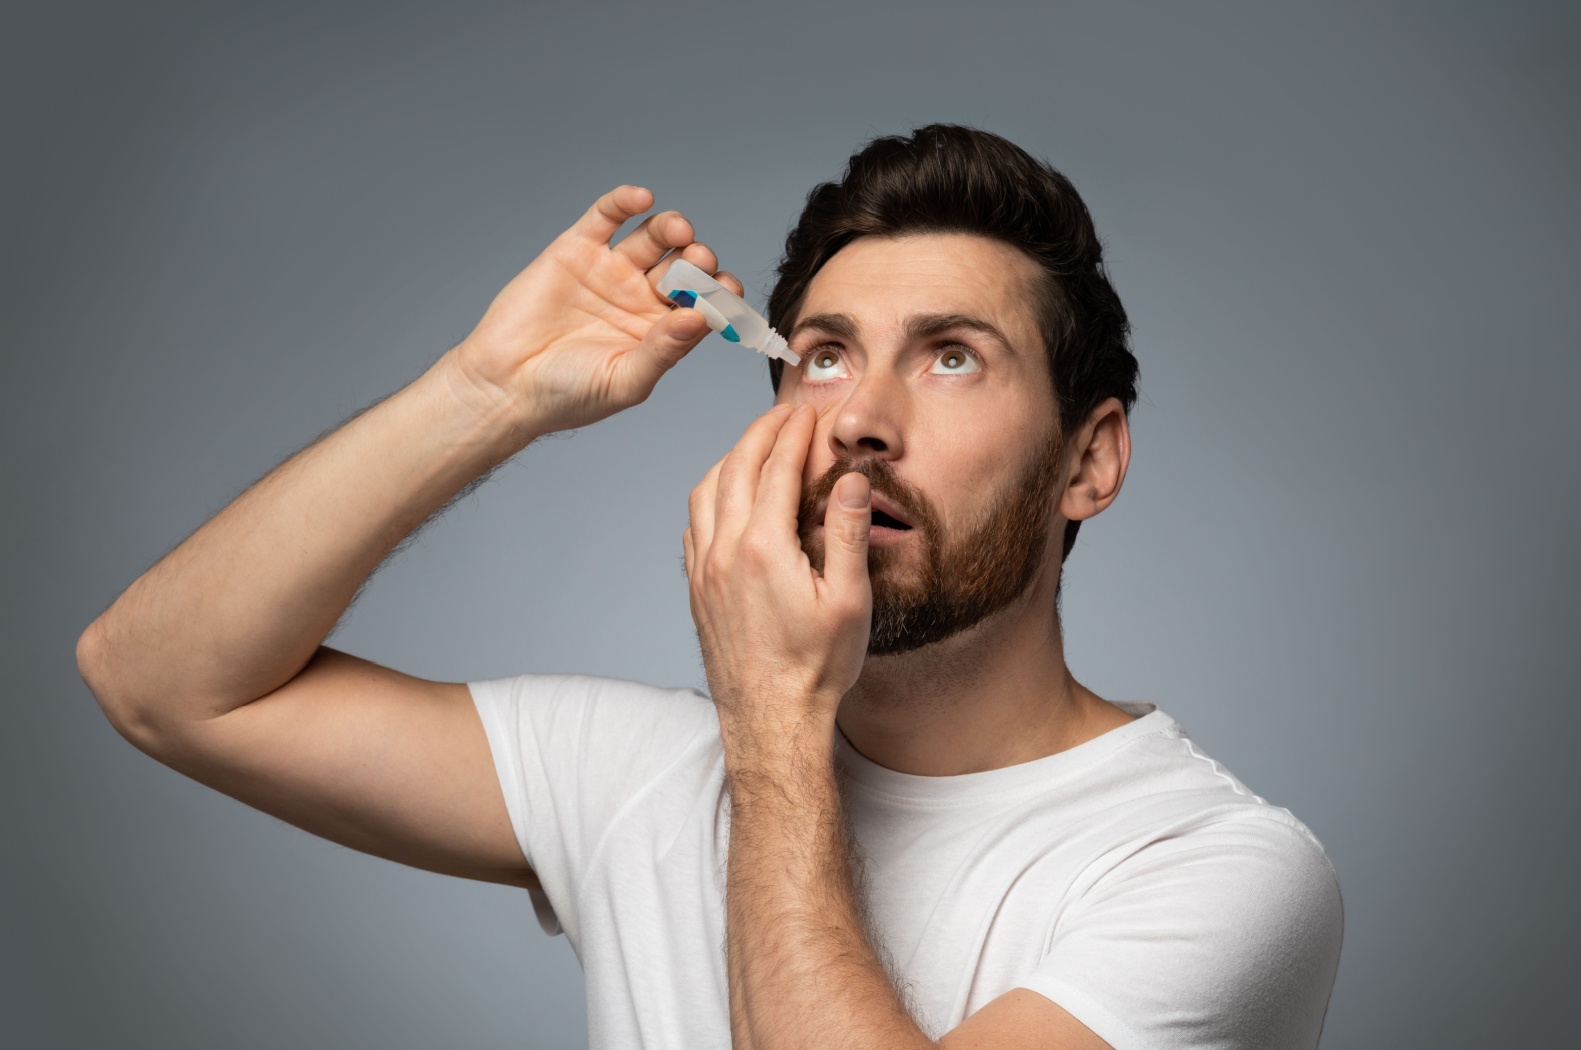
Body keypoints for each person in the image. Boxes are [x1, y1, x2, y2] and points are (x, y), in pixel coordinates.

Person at [77, 125, 1343, 1049]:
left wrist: (777, 724)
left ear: (1089, 459)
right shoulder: (653, 775)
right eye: (828, 358)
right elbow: (161, 683)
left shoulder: (1216, 872)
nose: (862, 423)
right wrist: (484, 396)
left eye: (953, 358)